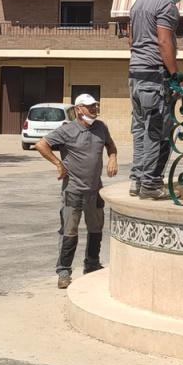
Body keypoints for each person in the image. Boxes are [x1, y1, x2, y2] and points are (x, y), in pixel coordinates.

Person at [36, 93, 118, 289]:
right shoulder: (68, 130)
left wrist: (112, 158)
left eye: (95, 106)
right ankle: (64, 270)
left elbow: (110, 145)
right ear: (79, 109)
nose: (94, 110)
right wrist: (58, 164)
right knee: (69, 231)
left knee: (96, 229)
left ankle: (91, 265)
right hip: (73, 190)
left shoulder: (101, 127)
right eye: (90, 107)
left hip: (95, 190)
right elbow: (41, 144)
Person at [128, 0, 183, 200]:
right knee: (158, 133)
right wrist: (175, 74)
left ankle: (136, 181)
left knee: (140, 130)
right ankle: (150, 184)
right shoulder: (167, 6)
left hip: (136, 75)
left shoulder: (139, 2)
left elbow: (131, 38)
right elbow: (164, 42)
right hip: (155, 78)